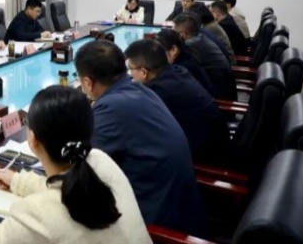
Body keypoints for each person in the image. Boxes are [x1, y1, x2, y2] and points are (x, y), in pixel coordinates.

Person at [0, 86, 151, 244]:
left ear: (33, 139)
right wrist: (18, 181)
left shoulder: (38, 213)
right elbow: (68, 188)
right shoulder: (101, 161)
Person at [74, 41, 205, 235]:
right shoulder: (141, 90)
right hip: (180, 208)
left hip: (157, 226)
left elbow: (79, 166)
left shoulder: (112, 108)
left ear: (87, 82)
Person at [125, 40, 230, 166]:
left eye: (130, 69)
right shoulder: (177, 71)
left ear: (143, 73)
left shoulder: (158, 92)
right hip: (215, 143)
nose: (130, 74)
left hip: (205, 159)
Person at [173, 13, 238, 101]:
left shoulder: (190, 47)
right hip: (225, 89)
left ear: (182, 34)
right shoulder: (201, 38)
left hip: (219, 97)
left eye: (174, 32)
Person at [155, 29, 215, 97]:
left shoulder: (182, 68)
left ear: (174, 50)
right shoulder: (186, 55)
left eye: (160, 53)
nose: (158, 57)